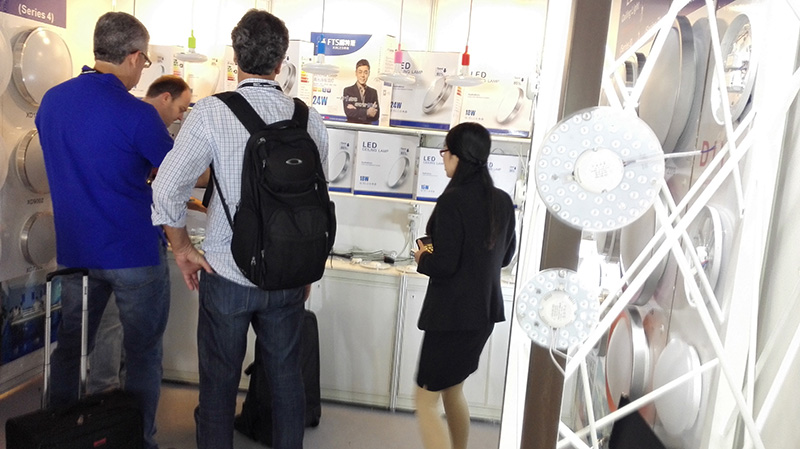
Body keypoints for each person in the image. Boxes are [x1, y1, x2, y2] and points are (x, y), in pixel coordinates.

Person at [150, 9, 329, 449]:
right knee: (286, 382)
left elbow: (167, 189)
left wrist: (182, 249)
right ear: (282, 63)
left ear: (235, 57)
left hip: (226, 273)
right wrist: (303, 265)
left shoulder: (211, 113)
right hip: (287, 276)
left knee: (218, 386)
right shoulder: (309, 118)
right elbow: (315, 201)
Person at [35, 12, 173, 449]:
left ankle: (59, 436)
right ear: (133, 57)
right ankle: (138, 440)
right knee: (143, 353)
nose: (142, 70)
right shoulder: (139, 114)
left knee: (71, 347)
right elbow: (173, 172)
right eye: (144, 61)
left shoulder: (52, 102)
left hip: (77, 251)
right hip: (134, 252)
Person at [412, 122, 516, 449]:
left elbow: (444, 264)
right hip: (483, 315)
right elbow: (505, 257)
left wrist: (421, 257)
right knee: (452, 389)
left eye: (445, 151)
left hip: (450, 318)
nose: (443, 157)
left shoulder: (452, 201)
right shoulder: (502, 200)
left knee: (425, 399)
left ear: (457, 156)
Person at [88, 74, 192, 396]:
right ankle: (129, 417)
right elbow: (177, 178)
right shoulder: (143, 120)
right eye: (181, 108)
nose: (180, 116)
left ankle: (105, 401)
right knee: (140, 344)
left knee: (107, 327)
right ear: (165, 97)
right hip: (133, 244)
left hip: (94, 242)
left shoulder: (108, 117)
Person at [342, 58, 380, 124]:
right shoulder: (348, 91)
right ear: (356, 73)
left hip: (367, 128)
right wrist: (367, 112)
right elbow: (349, 112)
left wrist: (356, 110)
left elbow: (376, 116)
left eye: (365, 72)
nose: (362, 75)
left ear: (369, 73)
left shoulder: (373, 92)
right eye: (360, 72)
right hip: (352, 127)